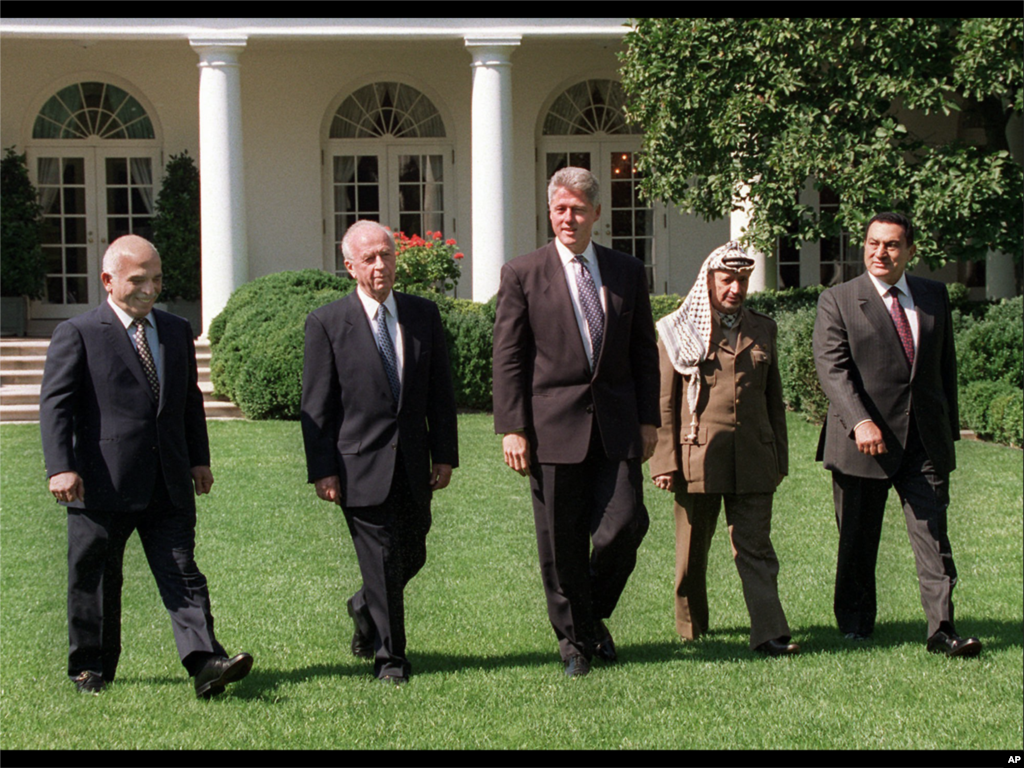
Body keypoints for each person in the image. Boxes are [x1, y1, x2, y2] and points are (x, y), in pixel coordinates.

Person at [39, 235, 252, 698]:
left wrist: (199, 459)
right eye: (138, 280)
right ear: (108, 280)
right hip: (100, 481)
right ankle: (90, 667)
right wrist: (61, 466)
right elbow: (55, 406)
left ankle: (206, 664)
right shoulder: (78, 332)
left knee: (183, 572)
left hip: (168, 480)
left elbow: (189, 401)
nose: (149, 289)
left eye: (156, 279)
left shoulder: (175, 330)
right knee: (95, 577)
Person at [492, 167, 660, 677]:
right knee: (560, 542)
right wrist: (513, 427)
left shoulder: (627, 270)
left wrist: (650, 419)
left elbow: (642, 352)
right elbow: (509, 356)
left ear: (596, 214)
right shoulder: (523, 273)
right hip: (551, 429)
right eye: (561, 209)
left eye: (579, 209)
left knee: (627, 525)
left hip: (617, 425)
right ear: (550, 212)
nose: (569, 217)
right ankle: (575, 645)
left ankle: (585, 615)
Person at [813, 211, 981, 657]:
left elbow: (944, 368)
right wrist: (859, 421)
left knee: (933, 535)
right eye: (872, 243)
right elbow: (833, 369)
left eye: (890, 245)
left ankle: (942, 629)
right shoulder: (839, 299)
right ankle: (855, 624)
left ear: (910, 250)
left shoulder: (932, 295)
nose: (879, 252)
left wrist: (947, 432)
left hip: (924, 440)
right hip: (863, 441)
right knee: (858, 538)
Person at [301, 219, 458, 685]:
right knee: (383, 559)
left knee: (413, 553)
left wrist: (444, 454)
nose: (380, 265)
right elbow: (318, 404)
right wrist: (322, 471)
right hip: (358, 467)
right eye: (369, 258)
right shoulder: (327, 323)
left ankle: (364, 604)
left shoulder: (422, 314)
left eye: (387, 255)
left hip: (412, 462)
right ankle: (390, 660)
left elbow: (439, 394)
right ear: (350, 267)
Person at [650, 243, 798, 656]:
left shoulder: (763, 328)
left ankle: (770, 633)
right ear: (709, 280)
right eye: (727, 280)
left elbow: (774, 398)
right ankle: (691, 627)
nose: (735, 288)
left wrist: (779, 458)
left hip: (754, 456)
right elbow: (664, 402)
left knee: (756, 548)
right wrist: (664, 462)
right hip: (698, 455)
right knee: (692, 551)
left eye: (743, 280)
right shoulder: (679, 329)